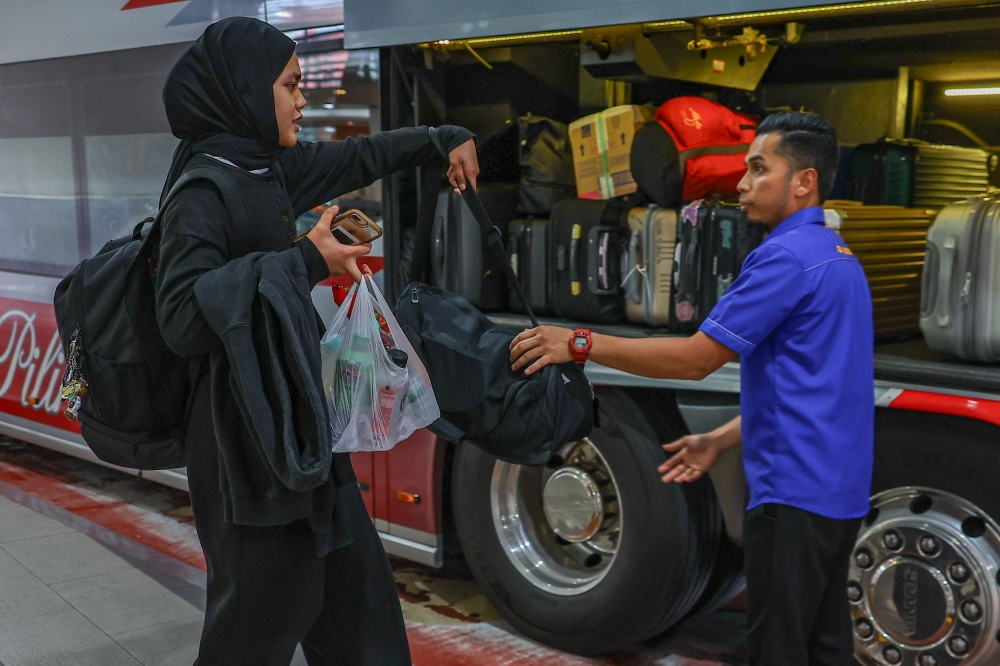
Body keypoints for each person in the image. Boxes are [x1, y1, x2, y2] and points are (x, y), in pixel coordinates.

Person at [154, 17, 479, 666]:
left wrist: (444, 138)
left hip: (302, 432)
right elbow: (181, 322)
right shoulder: (203, 192)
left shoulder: (266, 168)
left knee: (360, 611)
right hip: (242, 451)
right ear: (245, 91)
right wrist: (306, 262)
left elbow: (359, 158)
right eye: (291, 86)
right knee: (253, 630)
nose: (305, 101)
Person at [509, 112, 874, 666]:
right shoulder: (839, 256)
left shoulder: (783, 257)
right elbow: (818, 387)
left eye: (758, 169)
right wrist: (721, 439)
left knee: (776, 651)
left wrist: (580, 342)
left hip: (793, 494)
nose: (741, 184)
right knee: (825, 646)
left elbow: (696, 359)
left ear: (804, 182)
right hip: (838, 493)